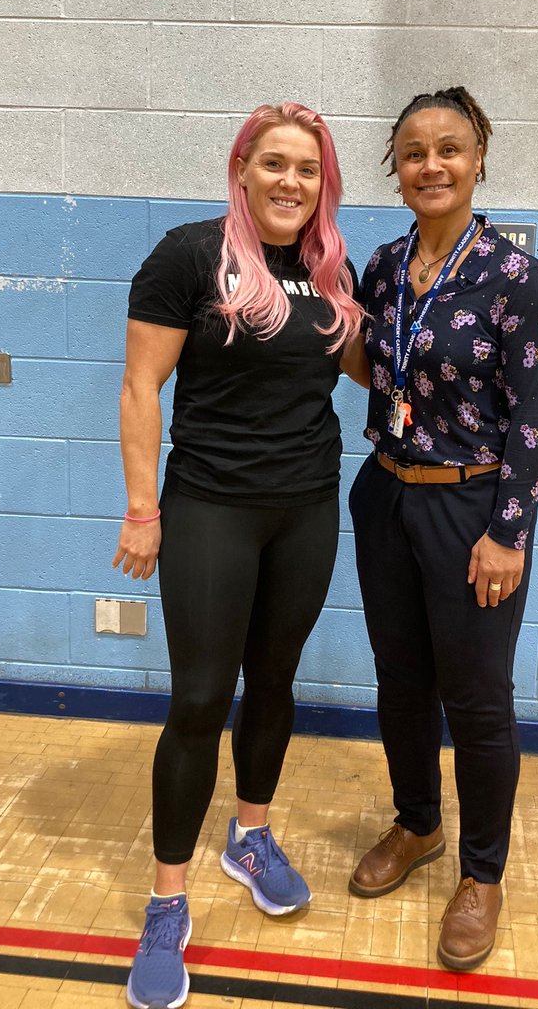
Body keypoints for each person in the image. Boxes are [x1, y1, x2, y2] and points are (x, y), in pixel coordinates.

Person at [114, 102, 363, 1009]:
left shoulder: (333, 272)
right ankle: (166, 903)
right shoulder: (189, 256)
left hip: (304, 509)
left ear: (322, 182)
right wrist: (144, 510)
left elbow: (376, 367)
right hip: (211, 506)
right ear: (243, 168)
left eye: (308, 168)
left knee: (276, 681)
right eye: (275, 164)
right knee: (198, 698)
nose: (290, 181)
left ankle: (250, 835)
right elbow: (142, 385)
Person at [347, 86, 538, 971]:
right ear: (394, 170)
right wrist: (328, 317)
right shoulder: (388, 265)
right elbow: (371, 368)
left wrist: (507, 532)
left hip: (474, 507)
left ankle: (483, 874)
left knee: (476, 697)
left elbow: (536, 417)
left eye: (449, 150)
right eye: (412, 153)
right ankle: (417, 824)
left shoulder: (515, 278)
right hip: (386, 494)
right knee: (400, 680)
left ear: (478, 161)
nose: (430, 165)